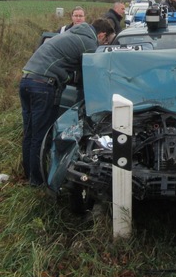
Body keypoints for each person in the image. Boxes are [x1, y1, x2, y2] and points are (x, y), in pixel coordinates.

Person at [20, 18, 116, 187]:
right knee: (40, 136)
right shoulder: (88, 42)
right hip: (43, 86)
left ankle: (29, 175)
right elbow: (94, 73)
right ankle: (37, 182)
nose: (104, 44)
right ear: (102, 35)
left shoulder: (73, 34)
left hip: (27, 80)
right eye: (106, 41)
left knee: (29, 132)